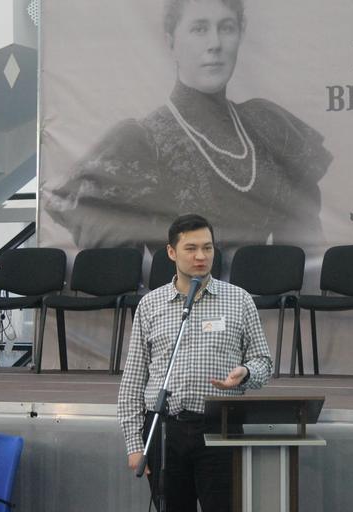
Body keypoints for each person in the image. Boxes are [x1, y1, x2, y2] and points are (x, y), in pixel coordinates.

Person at [45, 0, 333, 251]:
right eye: (199, 29)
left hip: (258, 295)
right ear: (171, 41)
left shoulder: (268, 127)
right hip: (179, 295)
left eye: (226, 28)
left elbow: (304, 251)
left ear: (241, 33)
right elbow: (112, 257)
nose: (215, 44)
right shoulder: (142, 142)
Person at [116, 214, 272, 512]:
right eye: (191, 248)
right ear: (171, 252)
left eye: (207, 248)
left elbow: (263, 362)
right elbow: (134, 380)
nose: (201, 256)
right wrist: (135, 444)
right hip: (165, 430)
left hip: (220, 428)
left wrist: (246, 372)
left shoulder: (239, 300)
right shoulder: (150, 305)